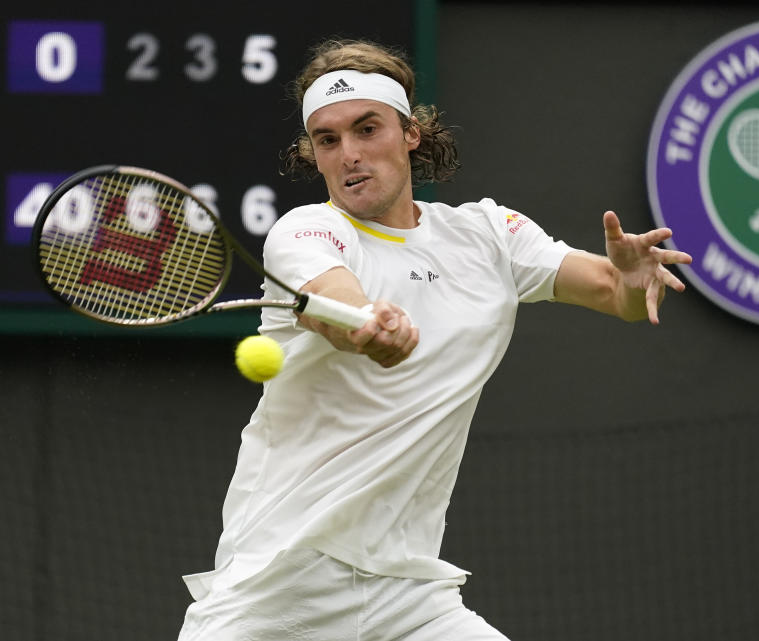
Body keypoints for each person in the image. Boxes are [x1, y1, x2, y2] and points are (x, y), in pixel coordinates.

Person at [177, 39, 692, 641]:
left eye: (368, 129)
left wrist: (631, 280)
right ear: (312, 154)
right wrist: (369, 326)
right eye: (328, 139)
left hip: (409, 596)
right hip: (281, 588)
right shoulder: (304, 231)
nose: (350, 154)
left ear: (411, 134)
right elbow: (336, 306)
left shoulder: (489, 235)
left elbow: (616, 293)